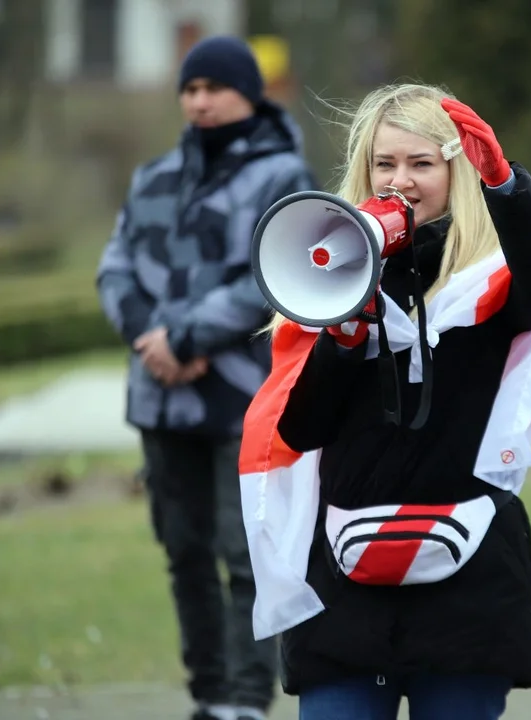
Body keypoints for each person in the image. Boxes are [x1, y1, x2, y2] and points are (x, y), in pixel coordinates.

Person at [237, 83, 531, 719]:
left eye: (422, 164)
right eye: (385, 164)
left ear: (457, 171)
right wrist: (342, 337)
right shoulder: (327, 274)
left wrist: (506, 183)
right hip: (345, 588)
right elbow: (303, 427)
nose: (401, 182)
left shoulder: (494, 276)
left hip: (466, 582)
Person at [96, 35, 317, 720]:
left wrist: (188, 337)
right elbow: (116, 268)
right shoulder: (153, 176)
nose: (199, 100)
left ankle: (249, 699)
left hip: (243, 399)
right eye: (189, 89)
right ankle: (210, 695)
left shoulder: (285, 177)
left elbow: (277, 274)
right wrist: (151, 340)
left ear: (248, 92)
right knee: (185, 555)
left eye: (213, 87)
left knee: (246, 554)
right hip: (160, 398)